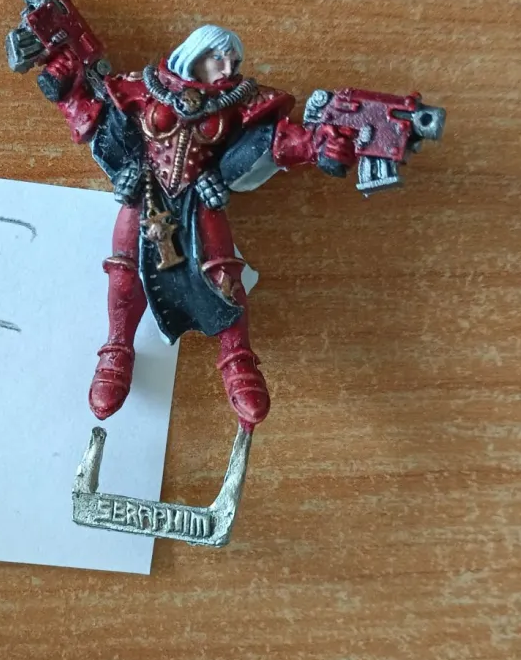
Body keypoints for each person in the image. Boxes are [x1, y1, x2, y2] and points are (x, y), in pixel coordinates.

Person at [36, 25, 357, 432]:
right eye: (219, 58)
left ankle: (237, 357)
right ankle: (116, 348)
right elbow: (104, 119)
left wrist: (319, 144)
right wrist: (122, 160)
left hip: (200, 197)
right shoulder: (144, 87)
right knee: (124, 270)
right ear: (196, 54)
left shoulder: (236, 100)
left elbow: (275, 139)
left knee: (223, 273)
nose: (227, 68)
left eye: (234, 61)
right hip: (144, 192)